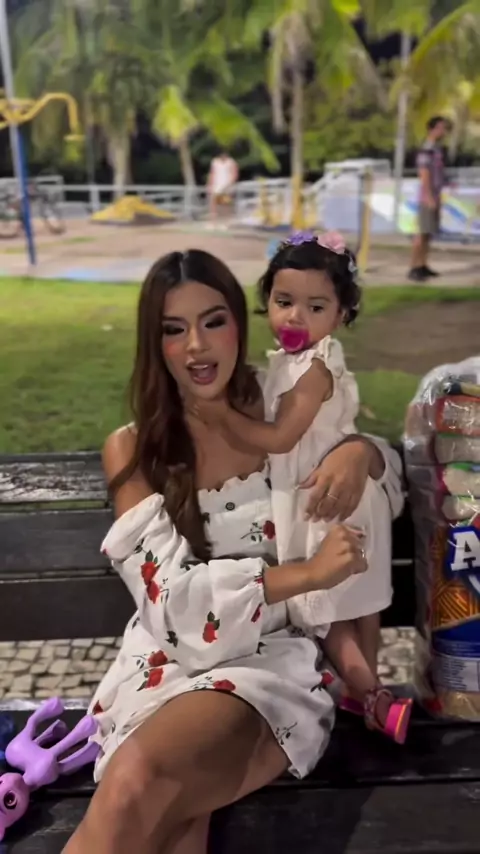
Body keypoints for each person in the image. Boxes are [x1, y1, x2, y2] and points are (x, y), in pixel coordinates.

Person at [62, 249, 404, 854]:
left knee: (138, 783)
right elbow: (173, 608)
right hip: (166, 661)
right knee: (168, 823)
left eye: (213, 321)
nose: (197, 346)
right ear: (155, 344)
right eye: (174, 329)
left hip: (267, 664)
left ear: (241, 323)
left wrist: (362, 454)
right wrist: (304, 575)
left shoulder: (278, 403)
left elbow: (387, 478)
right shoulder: (135, 448)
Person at [192, 230, 412, 742]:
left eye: (315, 307)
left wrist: (220, 416)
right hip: (339, 494)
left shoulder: (314, 368)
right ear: (266, 300)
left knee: (325, 609)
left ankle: (371, 695)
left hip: (326, 498)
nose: (295, 317)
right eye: (284, 301)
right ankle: (367, 694)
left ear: (340, 316)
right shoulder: (291, 363)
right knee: (358, 602)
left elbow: (281, 437)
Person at [408, 115, 451, 282]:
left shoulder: (437, 149)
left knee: (428, 233)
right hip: (428, 196)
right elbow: (424, 173)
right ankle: (413, 267)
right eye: (441, 127)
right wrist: (429, 196)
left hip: (436, 193)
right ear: (432, 129)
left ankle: (422, 265)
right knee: (421, 232)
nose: (443, 131)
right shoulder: (427, 149)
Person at [207, 151, 238, 220]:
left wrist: (230, 183)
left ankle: (226, 219)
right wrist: (210, 184)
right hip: (216, 184)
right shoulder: (215, 162)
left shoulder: (231, 162)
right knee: (213, 203)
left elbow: (234, 174)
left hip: (227, 185)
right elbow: (212, 173)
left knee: (226, 203)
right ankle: (213, 220)